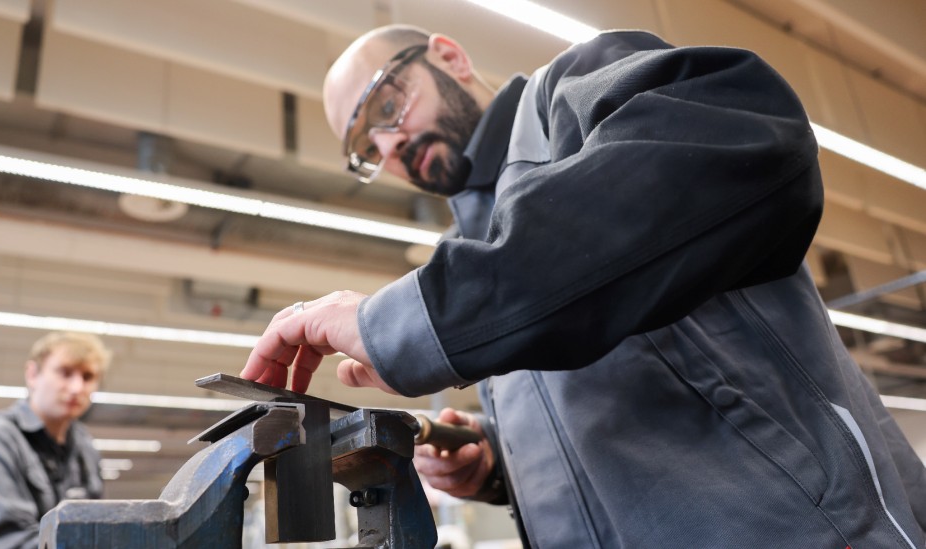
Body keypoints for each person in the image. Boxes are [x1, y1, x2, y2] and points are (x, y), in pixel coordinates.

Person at [240, 24, 926, 548]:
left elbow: (753, 138)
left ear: (448, 56)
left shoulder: (575, 97)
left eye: (384, 107)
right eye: (365, 149)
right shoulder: (472, 264)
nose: (388, 148)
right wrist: (496, 466)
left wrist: (407, 321)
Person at [0, 332, 110, 549]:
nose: (76, 388)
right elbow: (5, 543)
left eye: (88, 377)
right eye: (65, 373)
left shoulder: (85, 447)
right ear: (33, 374)